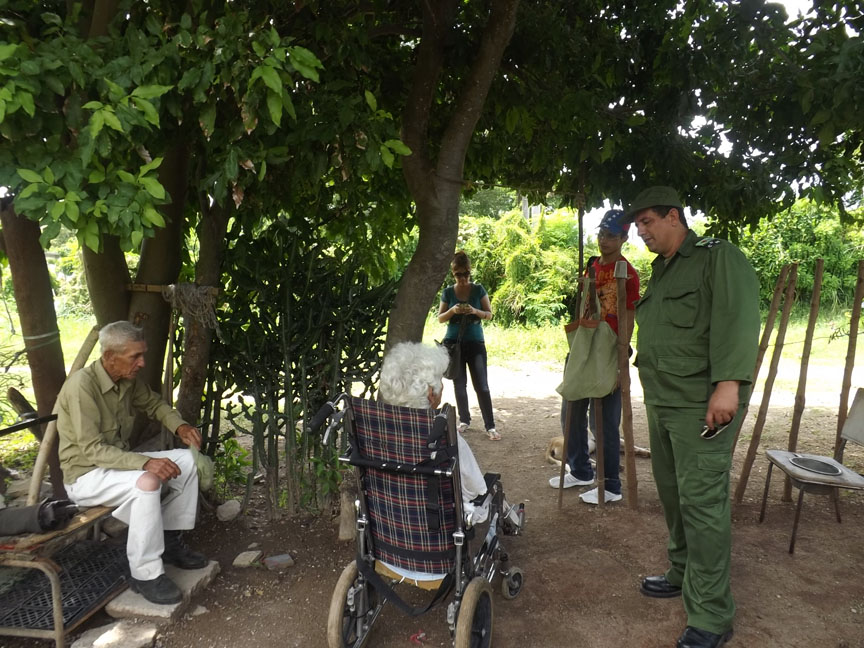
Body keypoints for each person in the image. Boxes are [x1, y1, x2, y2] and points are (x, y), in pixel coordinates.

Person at [625, 187, 760, 648]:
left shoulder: (717, 258)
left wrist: (729, 384)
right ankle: (682, 572)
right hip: (664, 401)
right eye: (637, 225)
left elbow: (738, 320)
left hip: (702, 406)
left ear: (674, 216)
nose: (640, 232)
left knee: (701, 505)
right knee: (674, 495)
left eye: (646, 222)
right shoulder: (662, 269)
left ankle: (712, 614)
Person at [55, 321, 208, 605]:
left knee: (187, 461)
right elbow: (92, 451)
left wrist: (181, 427)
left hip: (116, 467)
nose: (142, 362)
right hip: (86, 475)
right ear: (109, 356)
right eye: (134, 356)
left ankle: (170, 542)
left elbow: (155, 405)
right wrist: (145, 462)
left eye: (143, 354)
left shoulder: (126, 380)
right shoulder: (82, 387)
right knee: (148, 481)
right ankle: (145, 574)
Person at [548, 209, 640, 505]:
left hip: (610, 348)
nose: (604, 240)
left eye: (611, 235)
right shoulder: (591, 267)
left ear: (624, 238)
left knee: (604, 420)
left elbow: (628, 314)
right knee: (571, 408)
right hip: (584, 344)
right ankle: (580, 469)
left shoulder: (628, 272)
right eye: (601, 234)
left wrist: (621, 356)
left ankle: (611, 485)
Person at [378, 342, 520, 529]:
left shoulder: (377, 431)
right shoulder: (444, 438)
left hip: (390, 531)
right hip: (439, 534)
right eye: (439, 380)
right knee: (489, 489)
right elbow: (475, 489)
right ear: (431, 393)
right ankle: (513, 520)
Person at [438, 251, 499, 440]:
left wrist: (474, 311)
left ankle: (490, 426)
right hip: (454, 344)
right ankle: (464, 420)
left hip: (475, 342)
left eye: (466, 274)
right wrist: (453, 310)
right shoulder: (448, 292)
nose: (463, 279)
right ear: (453, 274)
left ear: (470, 272)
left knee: (482, 385)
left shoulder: (478, 289)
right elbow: (440, 318)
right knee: (459, 384)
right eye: (458, 275)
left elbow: (489, 314)